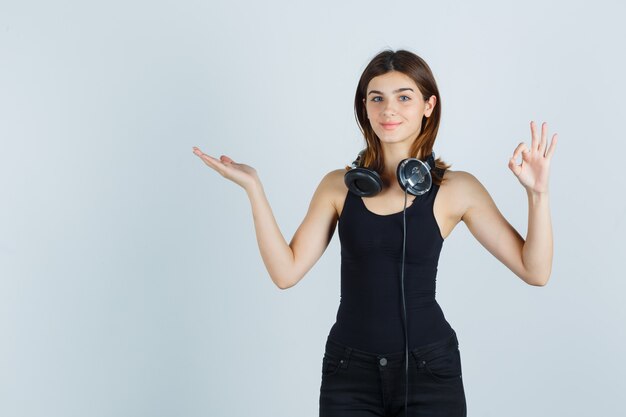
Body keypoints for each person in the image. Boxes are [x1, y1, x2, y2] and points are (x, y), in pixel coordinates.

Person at [192, 49, 557, 417]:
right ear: (364, 107)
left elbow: (535, 271)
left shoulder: (457, 189)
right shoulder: (338, 187)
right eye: (376, 98)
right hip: (349, 374)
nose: (388, 110)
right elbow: (285, 273)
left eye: (404, 97)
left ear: (428, 105)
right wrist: (254, 188)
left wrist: (537, 194)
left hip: (429, 370)